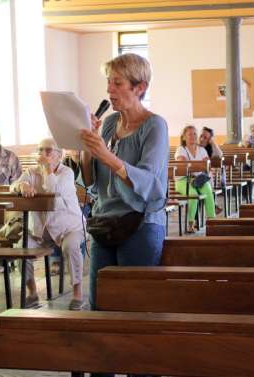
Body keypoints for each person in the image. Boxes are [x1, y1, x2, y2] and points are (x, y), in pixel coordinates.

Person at [79, 53, 169, 316]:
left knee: (135, 305)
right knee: (100, 304)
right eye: (109, 82)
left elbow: (151, 183)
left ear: (139, 87)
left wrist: (106, 154)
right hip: (105, 221)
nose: (109, 89)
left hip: (140, 223)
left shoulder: (155, 126)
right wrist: (88, 146)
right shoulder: (108, 124)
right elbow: (90, 180)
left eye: (117, 83)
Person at [10, 138, 86, 310]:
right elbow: (12, 186)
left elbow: (54, 192)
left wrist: (47, 170)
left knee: (71, 246)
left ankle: (78, 294)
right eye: (40, 150)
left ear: (59, 155)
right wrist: (22, 185)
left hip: (69, 227)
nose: (43, 154)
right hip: (41, 231)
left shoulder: (67, 173)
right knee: (22, 249)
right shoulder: (31, 171)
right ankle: (33, 293)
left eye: (48, 150)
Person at [175, 125, 219, 233]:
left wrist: (205, 167)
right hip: (183, 181)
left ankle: (212, 221)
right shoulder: (181, 149)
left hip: (198, 179)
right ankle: (191, 224)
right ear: (184, 137)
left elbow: (207, 165)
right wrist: (200, 166)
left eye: (195, 133)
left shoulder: (202, 149)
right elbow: (183, 165)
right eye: (190, 134)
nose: (193, 136)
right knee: (193, 194)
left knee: (208, 189)